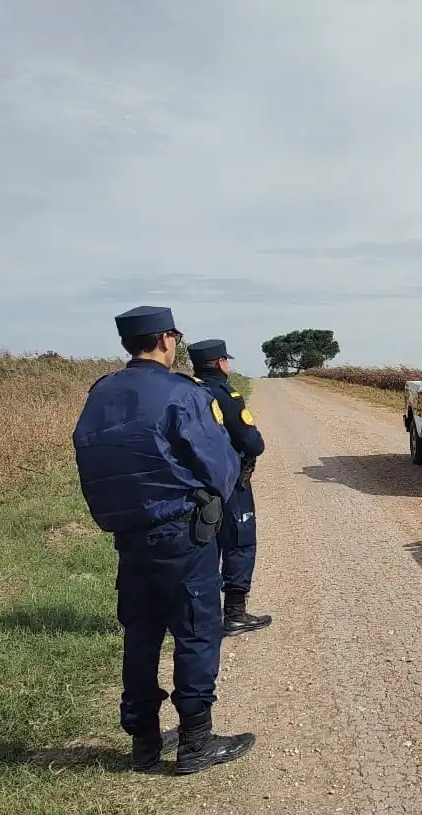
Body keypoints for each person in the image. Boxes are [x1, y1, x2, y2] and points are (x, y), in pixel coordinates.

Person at [73, 306, 255, 776]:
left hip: (129, 534)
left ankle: (144, 744)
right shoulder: (182, 394)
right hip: (182, 531)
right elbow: (219, 464)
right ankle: (196, 742)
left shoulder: (100, 393)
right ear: (166, 340)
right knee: (196, 629)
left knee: (142, 634)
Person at [187, 338, 273, 637]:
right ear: (220, 363)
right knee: (239, 539)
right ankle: (234, 613)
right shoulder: (225, 393)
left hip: (190, 484)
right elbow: (250, 441)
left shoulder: (185, 390)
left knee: (198, 543)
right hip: (228, 481)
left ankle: (192, 614)